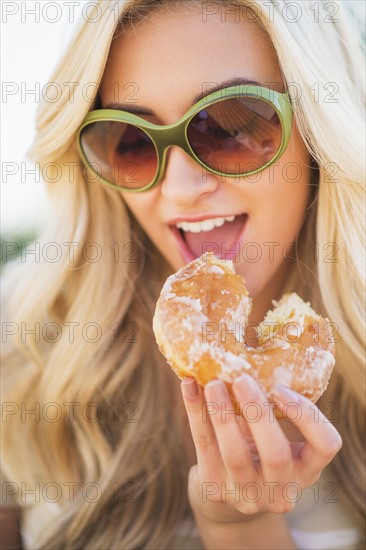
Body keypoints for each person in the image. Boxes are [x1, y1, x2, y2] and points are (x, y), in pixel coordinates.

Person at [1, 1, 365, 548]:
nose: (178, 189)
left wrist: (243, 526)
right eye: (129, 142)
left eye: (230, 126)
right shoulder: (23, 340)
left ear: (319, 131)